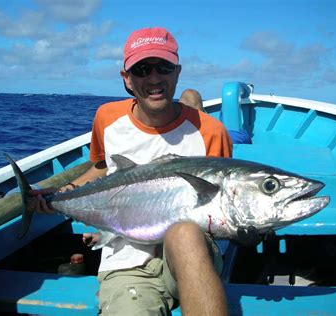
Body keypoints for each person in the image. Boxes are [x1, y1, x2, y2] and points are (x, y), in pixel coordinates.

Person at [33, 27, 232, 315]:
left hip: (193, 258)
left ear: (177, 72)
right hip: (126, 259)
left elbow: (221, 210)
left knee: (185, 233)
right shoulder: (107, 118)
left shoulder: (211, 132)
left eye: (163, 67)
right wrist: (66, 193)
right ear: (127, 79)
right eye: (141, 69)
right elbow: (102, 168)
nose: (153, 78)